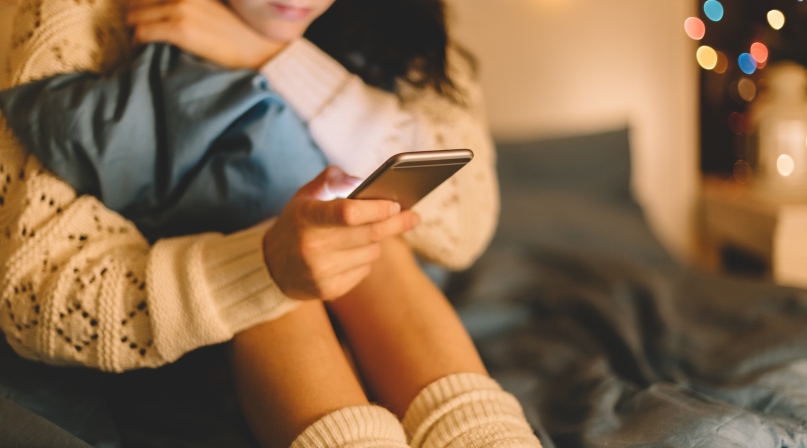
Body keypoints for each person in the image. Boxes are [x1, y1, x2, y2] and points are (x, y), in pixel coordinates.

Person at [0, 0, 543, 446]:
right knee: (286, 239)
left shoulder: (397, 20)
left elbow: (463, 224)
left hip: (378, 293)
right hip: (190, 321)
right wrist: (263, 266)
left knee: (367, 229)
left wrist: (274, 56)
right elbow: (35, 294)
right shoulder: (71, 15)